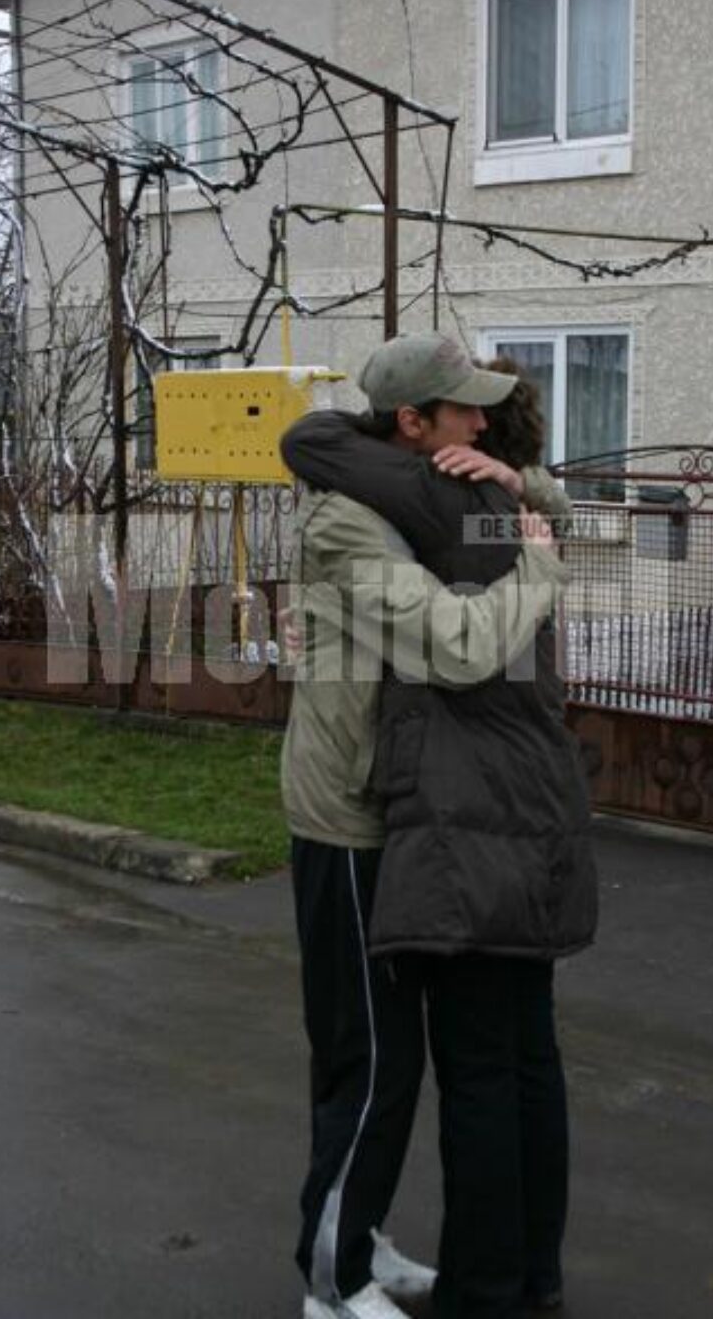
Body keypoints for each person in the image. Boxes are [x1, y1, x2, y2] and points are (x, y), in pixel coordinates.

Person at [282, 334, 597, 1319]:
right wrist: (538, 572)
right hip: (349, 821)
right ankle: (333, 1283)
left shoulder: (426, 492)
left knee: (398, 1063)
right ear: (412, 423)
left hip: (411, 813)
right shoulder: (348, 523)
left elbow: (548, 516)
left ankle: (360, 1239)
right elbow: (460, 646)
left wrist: (521, 486)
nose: (482, 419)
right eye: (463, 408)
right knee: (370, 1062)